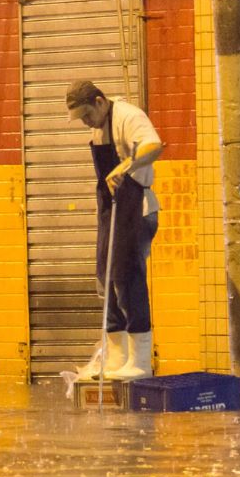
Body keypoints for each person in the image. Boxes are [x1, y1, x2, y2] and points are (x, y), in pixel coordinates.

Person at [66, 81, 163, 381]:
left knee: (127, 277)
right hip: (112, 213)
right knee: (106, 277)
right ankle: (118, 357)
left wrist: (126, 166)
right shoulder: (98, 128)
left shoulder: (128, 116)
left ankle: (140, 361)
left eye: (87, 115)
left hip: (136, 209)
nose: (85, 122)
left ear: (100, 101)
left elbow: (154, 146)